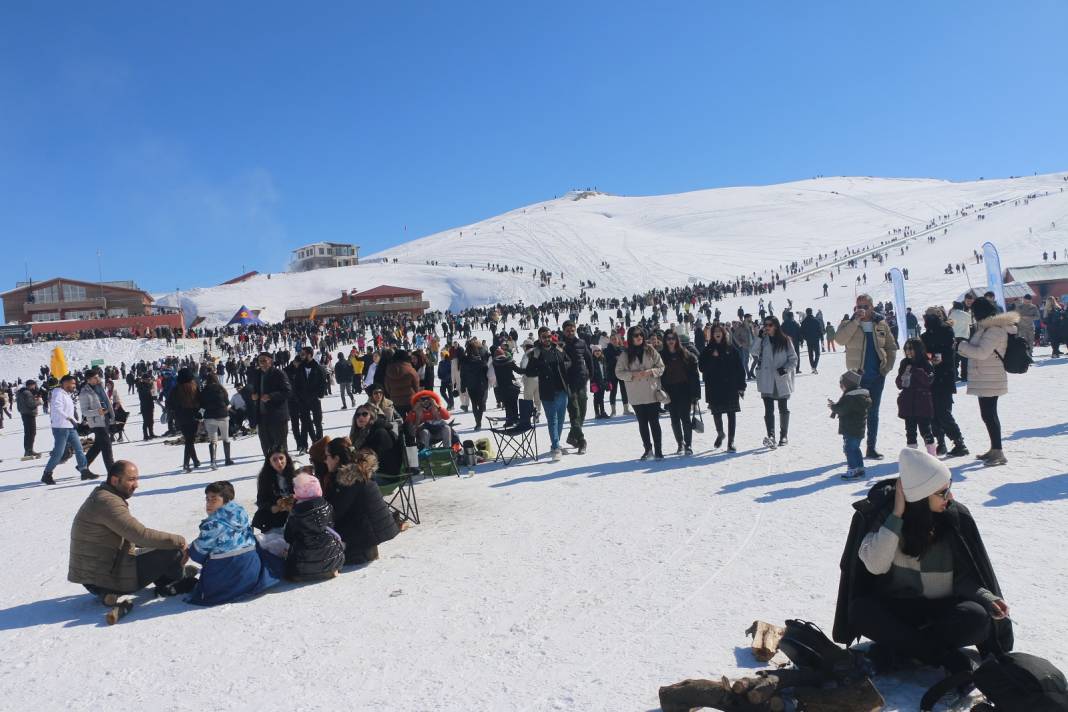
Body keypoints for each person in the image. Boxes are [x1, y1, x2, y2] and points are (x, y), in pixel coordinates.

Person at [833, 448, 1013, 676]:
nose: (950, 497)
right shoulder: (884, 516)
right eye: (942, 492)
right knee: (860, 611)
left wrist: (988, 598)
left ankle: (904, 650)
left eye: (949, 488)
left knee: (977, 617)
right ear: (919, 495)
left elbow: (964, 577)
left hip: (942, 612)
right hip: (898, 608)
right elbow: (875, 565)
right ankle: (945, 657)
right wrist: (896, 516)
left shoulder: (953, 518)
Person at [68, 460, 195, 599]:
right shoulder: (108, 502)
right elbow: (140, 535)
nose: (136, 485)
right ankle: (175, 579)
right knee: (172, 550)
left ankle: (168, 576)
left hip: (97, 576)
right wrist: (179, 541)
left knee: (160, 545)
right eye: (131, 480)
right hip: (104, 581)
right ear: (115, 480)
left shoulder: (102, 496)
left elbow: (133, 536)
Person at [186, 481, 279, 606]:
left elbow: (198, 552)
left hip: (230, 575)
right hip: (252, 571)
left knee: (204, 586)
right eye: (207, 499)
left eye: (214, 499)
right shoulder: (240, 513)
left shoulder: (213, 524)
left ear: (226, 499)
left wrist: (187, 550)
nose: (208, 503)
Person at [836, 294, 899, 460]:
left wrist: (886, 367)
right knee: (854, 412)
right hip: (856, 377)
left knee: (873, 412)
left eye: (865, 306)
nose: (861, 309)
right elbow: (840, 340)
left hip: (877, 375)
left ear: (872, 307)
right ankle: (851, 448)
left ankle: (871, 447)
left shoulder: (880, 324)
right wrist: (855, 321)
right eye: (858, 306)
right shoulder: (848, 324)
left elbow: (891, 347)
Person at [956, 298, 1019, 466]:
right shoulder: (987, 328)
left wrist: (961, 346)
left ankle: (998, 452)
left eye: (974, 312)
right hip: (985, 376)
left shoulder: (994, 330)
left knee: (989, 415)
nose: (973, 315)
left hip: (990, 377)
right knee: (988, 414)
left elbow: (982, 353)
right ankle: (994, 449)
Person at [324, 443, 399, 566]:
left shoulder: (349, 479)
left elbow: (335, 512)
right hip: (371, 533)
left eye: (327, 456)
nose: (324, 460)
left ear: (336, 458)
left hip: (365, 539)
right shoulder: (356, 474)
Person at [921, 308, 968, 457]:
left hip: (945, 377)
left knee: (943, 412)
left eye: (930, 317)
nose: (927, 319)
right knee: (932, 413)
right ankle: (941, 443)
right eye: (926, 316)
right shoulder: (925, 335)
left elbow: (947, 353)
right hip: (930, 378)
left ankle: (959, 442)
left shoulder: (947, 331)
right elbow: (924, 354)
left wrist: (932, 357)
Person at [615, 326, 666, 461]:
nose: (639, 338)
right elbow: (618, 372)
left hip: (651, 391)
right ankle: (647, 449)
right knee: (642, 423)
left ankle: (659, 450)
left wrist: (651, 372)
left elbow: (661, 367)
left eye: (641, 335)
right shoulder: (625, 354)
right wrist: (632, 375)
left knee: (654, 422)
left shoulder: (650, 349)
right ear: (631, 338)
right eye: (636, 335)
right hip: (636, 393)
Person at [283, 472, 345, 581]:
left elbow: (288, 537)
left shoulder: (296, 513)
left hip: (303, 564)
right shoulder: (327, 506)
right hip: (332, 558)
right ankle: (331, 569)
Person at [524, 326, 572, 460]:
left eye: (549, 336)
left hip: (562, 389)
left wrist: (563, 367)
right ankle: (556, 447)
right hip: (547, 391)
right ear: (539, 338)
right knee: (552, 420)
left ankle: (556, 443)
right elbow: (529, 372)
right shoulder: (536, 352)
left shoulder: (558, 348)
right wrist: (540, 369)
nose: (547, 339)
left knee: (561, 419)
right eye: (544, 337)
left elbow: (569, 361)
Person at [699, 324, 746, 451]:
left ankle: (731, 442)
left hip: (730, 386)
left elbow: (740, 369)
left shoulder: (731, 349)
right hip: (714, 387)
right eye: (715, 332)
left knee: (731, 414)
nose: (718, 333)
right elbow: (702, 368)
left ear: (724, 333)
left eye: (720, 331)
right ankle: (720, 433)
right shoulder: (708, 350)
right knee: (717, 413)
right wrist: (712, 358)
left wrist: (742, 386)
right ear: (712, 334)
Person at [755, 316, 797, 448]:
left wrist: (785, 369)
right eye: (765, 324)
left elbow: (793, 359)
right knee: (768, 409)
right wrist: (759, 337)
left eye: (769, 325)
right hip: (767, 378)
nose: (766, 327)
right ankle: (771, 435)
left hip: (781, 377)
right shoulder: (763, 340)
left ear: (776, 326)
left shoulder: (785, 340)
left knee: (783, 408)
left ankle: (784, 435)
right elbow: (753, 351)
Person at [41, 374, 92, 485]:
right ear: (65, 383)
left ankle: (84, 471)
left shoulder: (66, 394)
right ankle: (47, 474)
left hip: (70, 427)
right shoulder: (57, 393)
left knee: (79, 449)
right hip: (60, 428)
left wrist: (77, 423)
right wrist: (69, 418)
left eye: (74, 383)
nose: (74, 385)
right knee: (58, 453)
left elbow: (70, 412)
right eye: (72, 383)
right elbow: (57, 408)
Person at [660, 331, 700, 455]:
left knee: (685, 418)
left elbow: (694, 376)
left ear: (677, 340)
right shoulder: (661, 356)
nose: (671, 341)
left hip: (684, 390)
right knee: (674, 419)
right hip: (670, 391)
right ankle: (680, 444)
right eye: (668, 339)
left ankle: (688, 445)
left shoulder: (686, 354)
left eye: (673, 338)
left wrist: (696, 394)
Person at [895, 339, 936, 454]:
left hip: (922, 401)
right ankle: (912, 455)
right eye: (906, 349)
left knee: (925, 430)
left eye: (911, 349)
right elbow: (899, 383)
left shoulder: (926, 362)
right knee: (910, 430)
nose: (908, 351)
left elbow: (928, 380)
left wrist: (916, 371)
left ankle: (932, 454)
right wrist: (901, 379)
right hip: (907, 401)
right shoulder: (904, 363)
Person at [830, 370, 872, 480]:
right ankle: (860, 468)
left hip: (850, 428)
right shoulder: (859, 395)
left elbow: (843, 410)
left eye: (842, 384)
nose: (841, 387)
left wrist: (833, 407)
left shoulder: (851, 397)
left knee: (849, 449)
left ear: (848, 385)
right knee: (855, 448)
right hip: (858, 428)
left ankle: (853, 469)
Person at [249, 351, 292, 456]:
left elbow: (288, 391)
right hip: (262, 417)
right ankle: (270, 471)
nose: (262, 362)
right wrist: (253, 396)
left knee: (280, 448)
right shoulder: (257, 374)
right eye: (260, 360)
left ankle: (284, 471)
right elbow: (254, 391)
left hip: (277, 417)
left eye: (264, 360)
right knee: (266, 448)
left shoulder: (278, 373)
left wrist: (271, 396)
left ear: (270, 361)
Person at [561, 320, 592, 453]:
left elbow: (589, 358)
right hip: (568, 383)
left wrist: (590, 374)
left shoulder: (581, 343)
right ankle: (581, 441)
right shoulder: (560, 345)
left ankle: (571, 437)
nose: (570, 332)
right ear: (564, 331)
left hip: (582, 381)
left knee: (583, 411)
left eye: (572, 330)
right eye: (568, 330)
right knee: (575, 412)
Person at [79, 368, 116, 476]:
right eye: (95, 378)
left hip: (106, 418)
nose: (97, 379)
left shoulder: (100, 387)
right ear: (88, 380)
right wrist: (98, 411)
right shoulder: (84, 393)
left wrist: (112, 415)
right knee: (107, 446)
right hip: (96, 422)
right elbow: (85, 412)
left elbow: (106, 401)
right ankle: (112, 471)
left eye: (98, 376)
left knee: (98, 445)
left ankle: (82, 465)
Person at [349, 405, 403, 475]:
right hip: (372, 472)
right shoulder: (363, 433)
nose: (360, 417)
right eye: (358, 415)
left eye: (364, 414)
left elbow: (371, 459)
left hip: (385, 475)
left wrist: (352, 452)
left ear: (371, 416)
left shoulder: (379, 432)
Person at [251, 448, 296, 531]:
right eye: (274, 460)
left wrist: (295, 499)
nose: (279, 462)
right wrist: (272, 508)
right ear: (270, 463)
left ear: (286, 458)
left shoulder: (295, 473)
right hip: (275, 517)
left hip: (296, 514)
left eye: (281, 458)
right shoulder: (265, 477)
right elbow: (261, 501)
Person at [292, 346, 327, 450]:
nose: (301, 356)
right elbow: (296, 384)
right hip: (303, 400)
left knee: (318, 422)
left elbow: (323, 383)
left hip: (315, 399)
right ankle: (304, 445)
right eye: (301, 354)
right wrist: (298, 397)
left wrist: (319, 395)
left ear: (310, 355)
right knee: (305, 422)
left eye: (303, 354)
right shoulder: (300, 368)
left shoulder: (318, 368)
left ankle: (320, 445)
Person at [169, 367, 202, 472]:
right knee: (189, 440)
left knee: (189, 439)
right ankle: (186, 464)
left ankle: (195, 461)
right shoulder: (194, 387)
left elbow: (169, 404)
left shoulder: (175, 389)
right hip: (193, 417)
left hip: (180, 418)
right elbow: (200, 401)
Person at [200, 372, 233, 469]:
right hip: (223, 415)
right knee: (225, 438)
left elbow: (201, 405)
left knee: (213, 440)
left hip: (209, 417)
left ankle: (213, 462)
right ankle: (227, 460)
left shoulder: (204, 390)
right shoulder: (221, 389)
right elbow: (227, 403)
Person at [459, 339, 490, 430]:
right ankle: (478, 422)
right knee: (480, 404)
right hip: (480, 385)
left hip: (470, 385)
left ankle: (477, 421)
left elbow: (462, 375)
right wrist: (486, 384)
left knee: (474, 403)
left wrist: (463, 387)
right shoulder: (480, 360)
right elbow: (485, 372)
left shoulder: (464, 361)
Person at [384, 349, 420, 421]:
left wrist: (392, 394)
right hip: (410, 399)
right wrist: (416, 393)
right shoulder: (410, 369)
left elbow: (387, 386)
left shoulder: (389, 369)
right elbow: (416, 383)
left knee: (400, 420)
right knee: (412, 420)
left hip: (396, 401)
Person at [491, 347, 522, 427]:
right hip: (512, 386)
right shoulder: (509, 362)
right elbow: (518, 370)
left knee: (507, 404)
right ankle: (515, 419)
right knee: (514, 403)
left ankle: (509, 421)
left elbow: (490, 375)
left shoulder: (494, 364)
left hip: (502, 387)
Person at [948, 295, 975, 379]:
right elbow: (972, 322)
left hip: (954, 339)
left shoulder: (951, 315)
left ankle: (955, 376)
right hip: (963, 338)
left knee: (955, 358)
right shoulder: (965, 314)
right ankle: (964, 375)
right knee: (964, 358)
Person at [603, 333, 628, 416]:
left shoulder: (622, 349)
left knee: (624, 391)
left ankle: (626, 409)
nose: (614, 340)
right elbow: (605, 362)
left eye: (615, 339)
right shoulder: (606, 350)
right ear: (610, 340)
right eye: (612, 339)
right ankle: (613, 411)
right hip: (612, 373)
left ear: (618, 340)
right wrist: (615, 359)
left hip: (622, 372)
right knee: (613, 391)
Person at [16, 379, 41, 458]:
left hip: (24, 414)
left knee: (28, 433)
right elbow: (31, 404)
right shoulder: (27, 393)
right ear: (30, 385)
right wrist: (38, 402)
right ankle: (29, 451)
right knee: (31, 432)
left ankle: (28, 450)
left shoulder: (20, 392)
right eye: (33, 385)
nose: (34, 387)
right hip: (29, 414)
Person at [589, 345, 612, 419]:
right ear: (593, 352)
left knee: (601, 397)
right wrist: (592, 382)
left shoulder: (603, 359)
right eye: (595, 351)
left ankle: (603, 412)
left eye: (599, 350)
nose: (597, 352)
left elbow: (606, 370)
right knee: (596, 397)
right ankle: (597, 413)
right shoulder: (592, 360)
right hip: (595, 382)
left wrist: (607, 380)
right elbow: (590, 373)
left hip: (603, 381)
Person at [800, 308, 824, 374]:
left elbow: (801, 332)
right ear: (811, 312)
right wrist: (821, 339)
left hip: (809, 340)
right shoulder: (816, 320)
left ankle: (813, 367)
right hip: (816, 339)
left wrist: (805, 338)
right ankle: (814, 367)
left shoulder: (804, 322)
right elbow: (820, 330)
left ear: (806, 312)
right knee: (817, 353)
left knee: (810, 354)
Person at [135, 372, 157, 440]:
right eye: (147, 379)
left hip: (150, 404)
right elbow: (145, 392)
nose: (149, 380)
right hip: (144, 405)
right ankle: (145, 435)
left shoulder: (148, 385)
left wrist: (154, 395)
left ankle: (151, 433)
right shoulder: (141, 385)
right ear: (143, 379)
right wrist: (151, 386)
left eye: (149, 379)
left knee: (151, 420)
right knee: (146, 421)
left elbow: (151, 394)